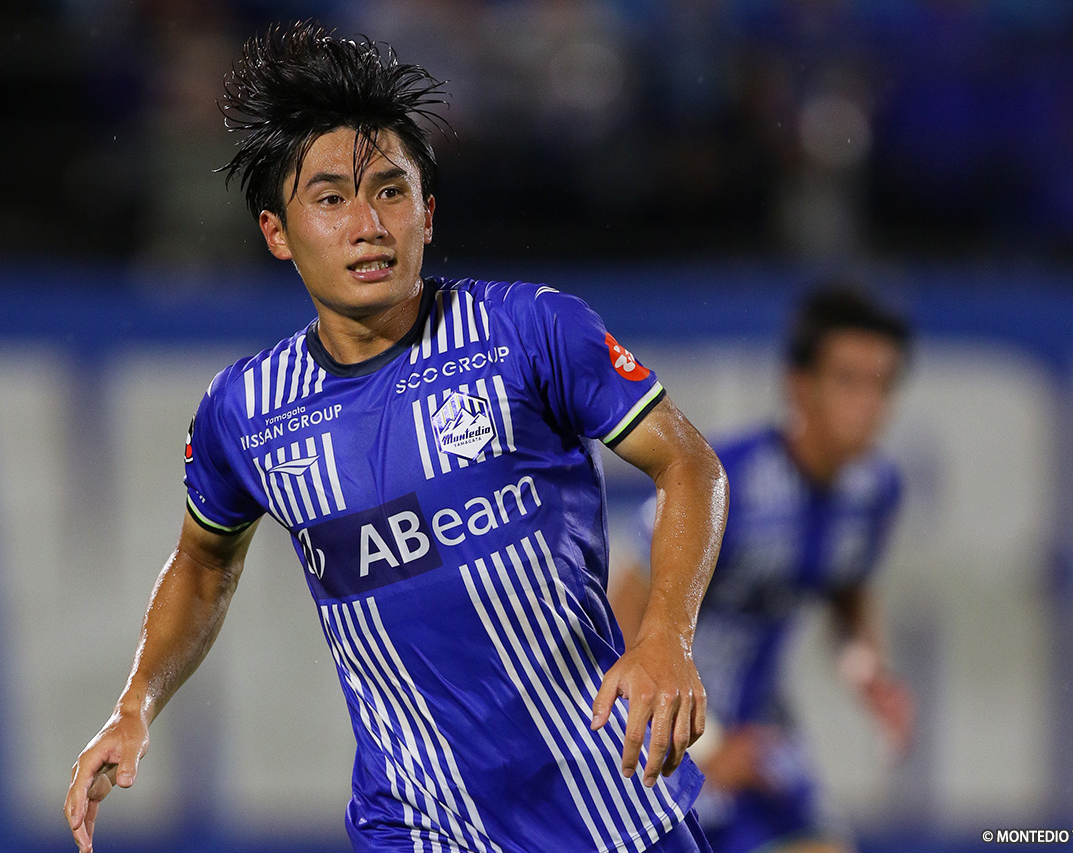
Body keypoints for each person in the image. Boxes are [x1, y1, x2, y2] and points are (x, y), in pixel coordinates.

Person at [64, 21, 728, 853]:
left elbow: (689, 463)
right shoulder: (244, 411)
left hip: (604, 802)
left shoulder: (529, 331)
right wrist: (134, 704)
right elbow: (203, 564)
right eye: (331, 199)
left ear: (428, 213)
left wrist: (666, 633)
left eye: (390, 191)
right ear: (277, 233)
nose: (368, 224)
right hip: (414, 821)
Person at [610, 287, 914, 853]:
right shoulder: (725, 483)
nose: (867, 403)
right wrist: (703, 745)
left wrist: (868, 671)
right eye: (848, 381)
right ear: (800, 385)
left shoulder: (875, 493)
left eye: (882, 384)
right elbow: (621, 615)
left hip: (761, 734)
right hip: (669, 734)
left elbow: (846, 586)